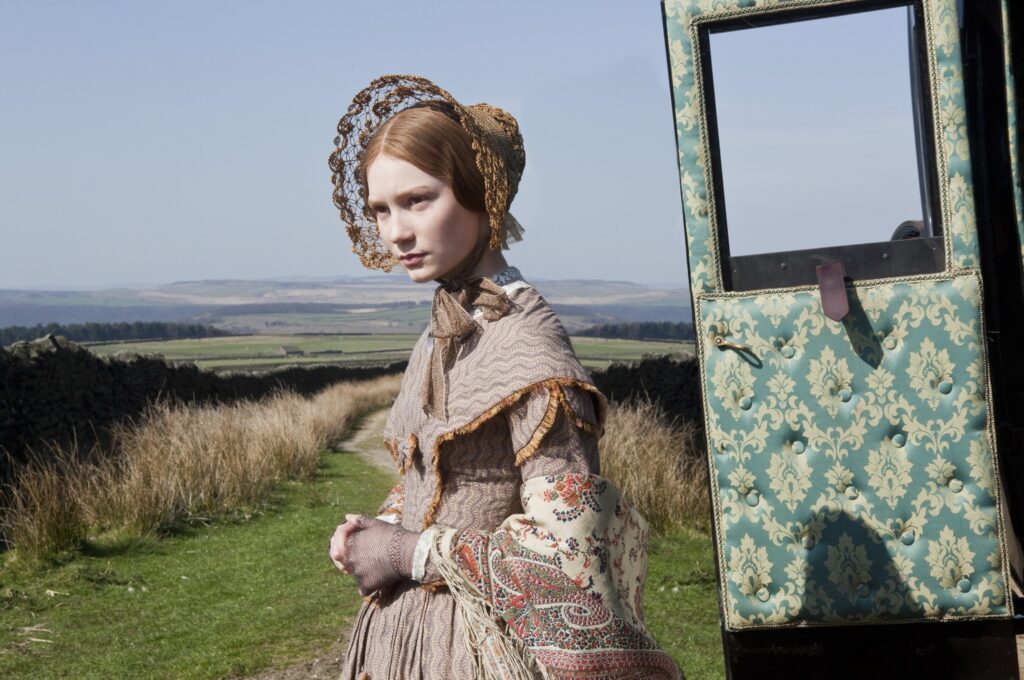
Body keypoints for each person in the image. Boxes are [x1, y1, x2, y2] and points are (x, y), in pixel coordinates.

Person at [327, 74, 680, 680]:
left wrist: (405, 551)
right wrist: (378, 524)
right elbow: (440, 482)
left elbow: (570, 560)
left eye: (418, 200)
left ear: (480, 193)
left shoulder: (528, 347)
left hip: (482, 649)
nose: (396, 233)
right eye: (381, 209)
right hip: (410, 640)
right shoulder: (443, 330)